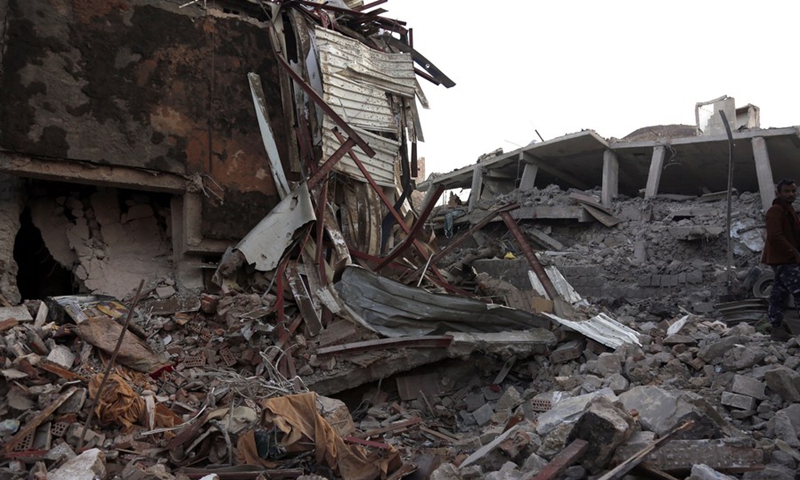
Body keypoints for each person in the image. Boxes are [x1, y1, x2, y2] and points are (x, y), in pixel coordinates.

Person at [762, 178, 800, 340]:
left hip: (786, 258)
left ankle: (777, 329)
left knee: (779, 294)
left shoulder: (789, 210)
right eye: (787, 191)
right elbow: (775, 236)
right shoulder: (775, 211)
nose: (791, 194)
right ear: (779, 193)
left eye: (793, 191)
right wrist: (794, 253)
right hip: (785, 259)